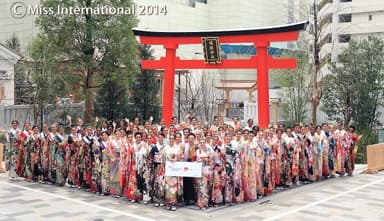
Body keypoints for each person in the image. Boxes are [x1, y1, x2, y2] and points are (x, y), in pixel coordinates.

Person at [164, 134, 182, 211]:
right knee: (168, 186)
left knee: (173, 187)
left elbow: (180, 158)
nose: (171, 140)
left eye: (172, 138)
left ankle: (174, 203)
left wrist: (175, 159)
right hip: (168, 168)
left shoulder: (177, 148)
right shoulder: (166, 148)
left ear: (174, 140)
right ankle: (168, 202)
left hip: (174, 168)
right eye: (170, 139)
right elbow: (162, 158)